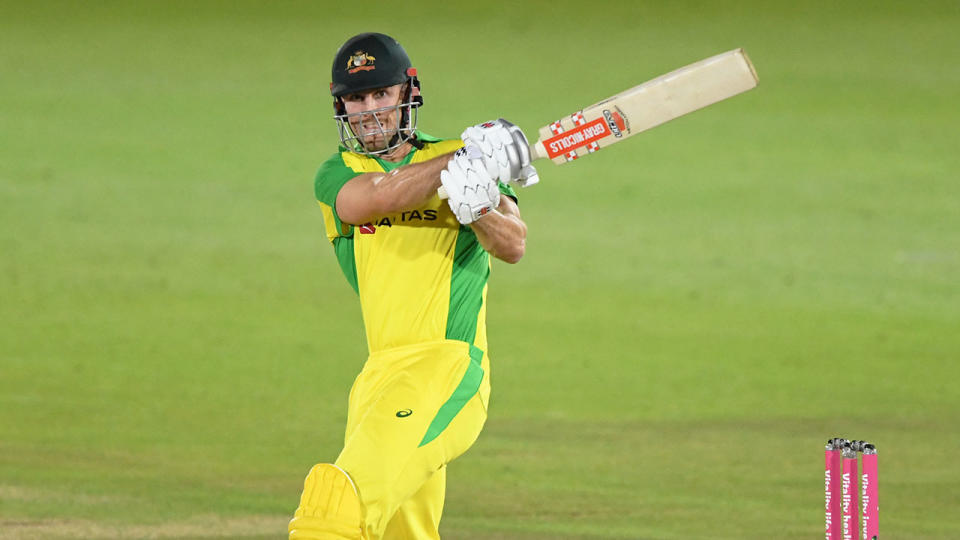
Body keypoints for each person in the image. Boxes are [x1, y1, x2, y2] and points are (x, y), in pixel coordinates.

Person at [289, 32, 538, 540]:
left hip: (447, 368)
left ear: (407, 94)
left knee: (335, 512)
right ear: (342, 106)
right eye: (357, 98)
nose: (370, 110)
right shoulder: (338, 174)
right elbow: (371, 202)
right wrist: (456, 167)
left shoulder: (465, 158)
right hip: (379, 378)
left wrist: (480, 207)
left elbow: (512, 244)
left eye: (381, 94)